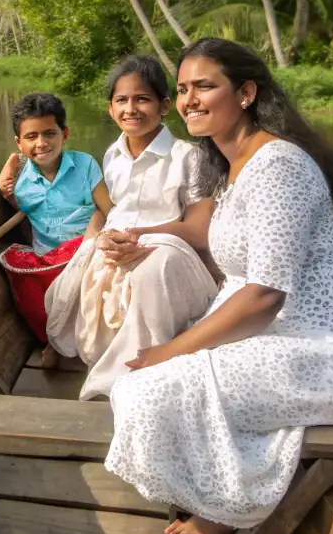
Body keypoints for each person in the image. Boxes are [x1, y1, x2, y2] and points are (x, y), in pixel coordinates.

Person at [104, 38, 333, 534]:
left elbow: (263, 295)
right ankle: (220, 480)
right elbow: (238, 277)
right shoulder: (229, 167)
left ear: (245, 93)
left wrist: (172, 350)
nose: (190, 99)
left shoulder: (279, 166)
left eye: (204, 86)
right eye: (183, 89)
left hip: (318, 352)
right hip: (275, 336)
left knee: (148, 389)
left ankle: (225, 505)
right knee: (136, 383)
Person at [43, 56, 219, 400]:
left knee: (148, 273)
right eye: (121, 101)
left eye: (142, 99)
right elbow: (110, 210)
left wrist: (139, 236)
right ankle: (68, 348)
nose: (131, 109)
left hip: (170, 252)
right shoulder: (112, 155)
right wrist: (96, 240)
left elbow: (198, 231)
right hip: (120, 245)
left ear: (165, 106)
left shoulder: (190, 157)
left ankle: (132, 374)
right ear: (110, 109)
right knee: (72, 275)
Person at [0, 92, 112, 369]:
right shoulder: (22, 184)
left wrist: (93, 242)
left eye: (49, 133)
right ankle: (56, 338)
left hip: (88, 251)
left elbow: (109, 209)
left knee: (91, 285)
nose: (41, 143)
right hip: (48, 260)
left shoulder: (84, 165)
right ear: (19, 143)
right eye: (31, 137)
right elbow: (21, 211)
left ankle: (69, 342)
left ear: (65, 134)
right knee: (28, 294)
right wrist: (5, 188)